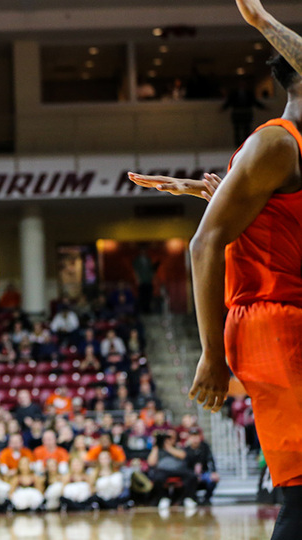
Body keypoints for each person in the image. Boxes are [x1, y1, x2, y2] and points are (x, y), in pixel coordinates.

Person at [128, 29, 302, 535]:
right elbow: (203, 245)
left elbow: (274, 220)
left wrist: (218, 192)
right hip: (274, 321)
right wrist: (211, 353)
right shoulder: (275, 140)